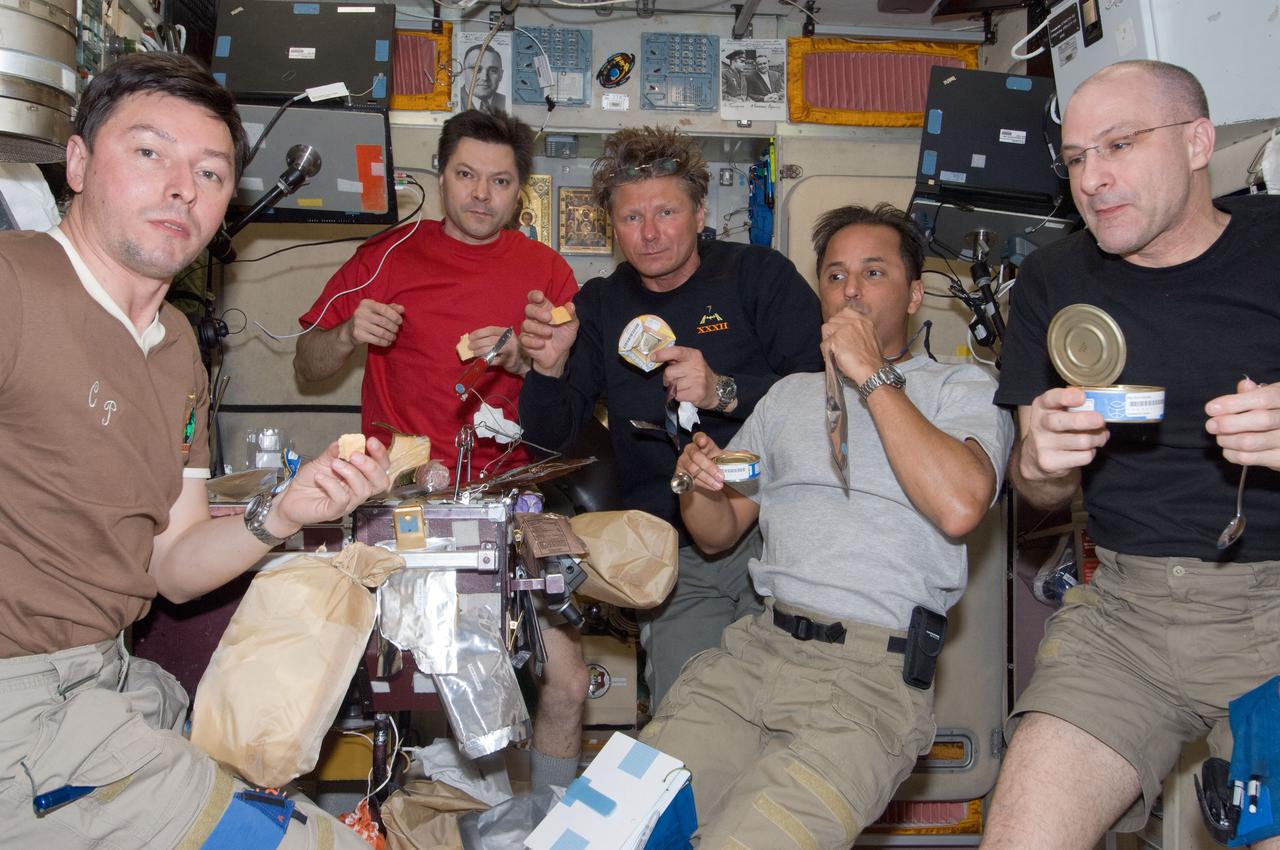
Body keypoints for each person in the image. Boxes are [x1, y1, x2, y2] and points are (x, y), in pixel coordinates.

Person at [0, 52, 389, 849]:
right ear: (76, 162)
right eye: (149, 153)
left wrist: (281, 514)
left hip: (109, 685)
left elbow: (170, 563)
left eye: (210, 172)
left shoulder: (175, 343)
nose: (183, 186)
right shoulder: (15, 288)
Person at [642, 203, 1012, 849]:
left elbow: (960, 505)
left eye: (874, 273)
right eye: (836, 276)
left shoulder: (964, 389)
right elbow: (718, 532)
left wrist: (871, 374)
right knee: (614, 825)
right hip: (756, 655)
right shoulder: (786, 398)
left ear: (915, 292)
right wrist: (695, 483)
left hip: (866, 684)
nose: (852, 290)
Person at [985, 60, 1280, 849]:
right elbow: (1037, 498)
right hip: (1123, 614)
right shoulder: (1052, 279)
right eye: (1076, 159)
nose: (1093, 179)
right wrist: (1040, 466)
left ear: (1198, 142)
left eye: (1118, 145)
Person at [294, 108, 586, 792]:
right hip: (406, 503)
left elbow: (571, 394)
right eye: (466, 175)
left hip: (514, 500)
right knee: (412, 689)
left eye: (500, 181)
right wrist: (347, 336)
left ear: (522, 191)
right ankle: (408, 815)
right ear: (442, 175)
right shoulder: (386, 257)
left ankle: (550, 825)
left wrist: (524, 360)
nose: (481, 194)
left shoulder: (546, 273)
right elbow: (308, 365)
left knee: (568, 681)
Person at [518, 126, 825, 707]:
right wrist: (549, 370)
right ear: (613, 225)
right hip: (677, 555)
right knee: (684, 722)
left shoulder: (759, 277)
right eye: (632, 218)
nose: (651, 233)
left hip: (782, 538)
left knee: (792, 715)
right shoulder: (601, 306)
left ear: (701, 212)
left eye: (667, 211)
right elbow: (548, 443)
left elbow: (823, 400)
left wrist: (723, 390)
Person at [459, 43, 506, 115]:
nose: (484, 78)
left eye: (492, 70)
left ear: (501, 75)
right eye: (476, 70)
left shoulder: (506, 101)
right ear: (463, 72)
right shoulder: (454, 99)